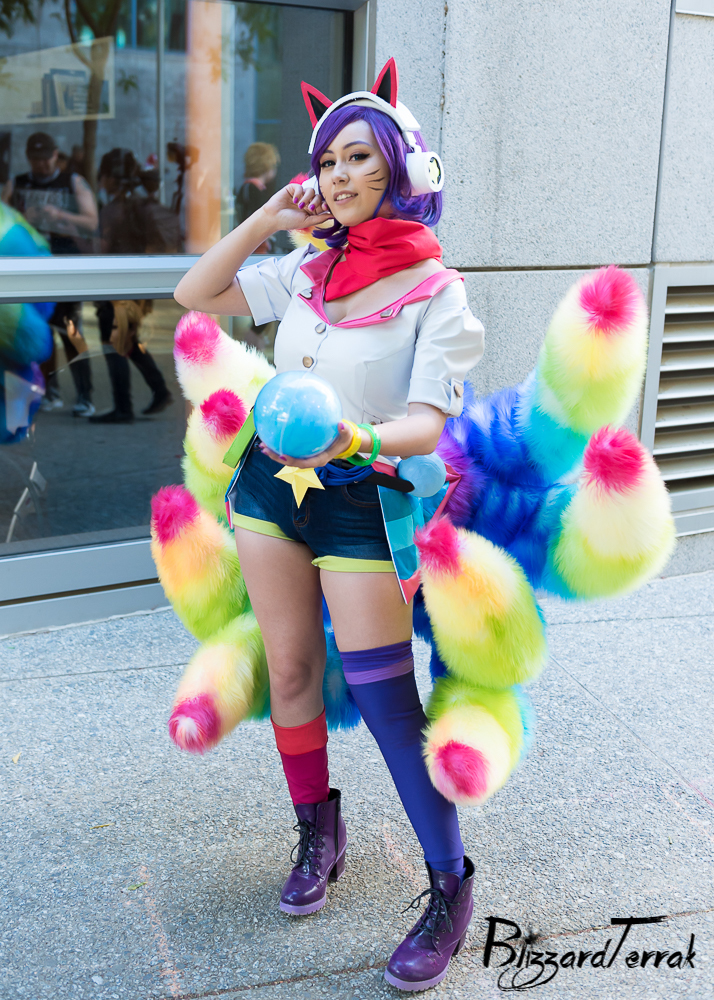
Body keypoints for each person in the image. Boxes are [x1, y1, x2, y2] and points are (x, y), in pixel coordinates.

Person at [174, 59, 484, 992]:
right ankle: (319, 830)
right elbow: (196, 293)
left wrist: (356, 438)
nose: (340, 176)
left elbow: (427, 425)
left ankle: (449, 883)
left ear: (403, 168)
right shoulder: (305, 269)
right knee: (293, 671)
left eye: (359, 157)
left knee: (388, 701)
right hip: (270, 490)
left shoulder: (437, 291)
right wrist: (270, 218)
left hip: (361, 495)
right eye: (328, 161)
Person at [2, 132, 98, 415]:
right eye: (36, 160)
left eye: (46, 159)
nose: (42, 165)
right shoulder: (17, 183)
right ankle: (49, 391)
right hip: (30, 267)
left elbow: (92, 222)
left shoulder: (73, 182)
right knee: (41, 330)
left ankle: (85, 395)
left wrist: (60, 216)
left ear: (56, 155)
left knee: (71, 331)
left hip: (65, 267)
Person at [89, 299, 173, 423]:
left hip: (116, 300)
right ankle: (160, 391)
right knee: (128, 344)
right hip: (128, 299)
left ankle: (123, 408)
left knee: (115, 347)